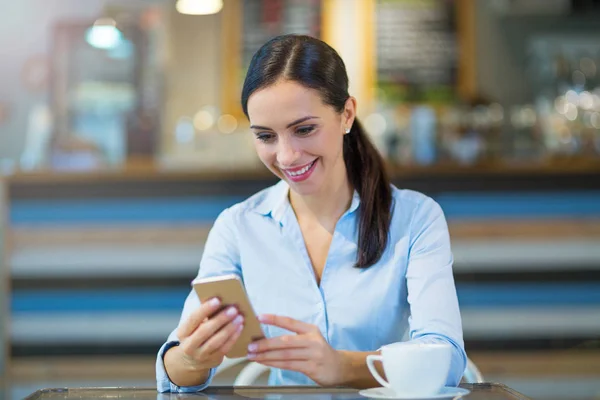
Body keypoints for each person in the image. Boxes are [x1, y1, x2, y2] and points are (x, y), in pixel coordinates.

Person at [156, 34, 466, 393]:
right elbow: (173, 373)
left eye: (304, 129)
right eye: (266, 136)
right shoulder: (238, 226)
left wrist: (342, 366)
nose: (286, 156)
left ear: (346, 114)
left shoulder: (416, 218)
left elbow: (446, 361)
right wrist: (192, 359)